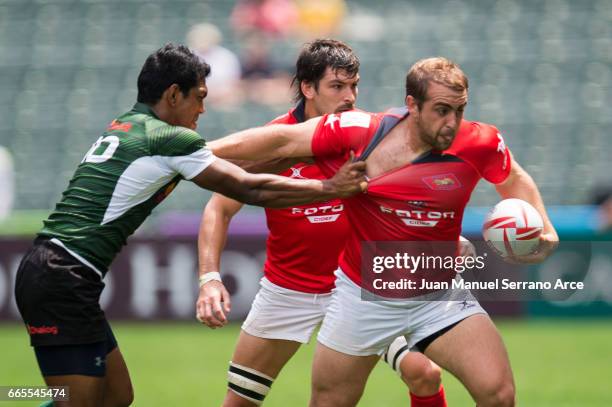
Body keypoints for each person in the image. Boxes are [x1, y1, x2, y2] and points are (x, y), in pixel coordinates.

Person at [13, 43, 366, 407]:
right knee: (76, 402)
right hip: (61, 275)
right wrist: (330, 187)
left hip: (65, 274)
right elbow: (248, 187)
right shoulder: (168, 139)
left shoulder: (128, 124)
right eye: (198, 97)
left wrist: (288, 158)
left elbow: (250, 175)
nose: (202, 108)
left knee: (116, 396)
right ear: (172, 94)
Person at [208, 57, 559, 406]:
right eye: (440, 110)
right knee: (329, 402)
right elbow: (281, 140)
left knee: (498, 394)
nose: (452, 122)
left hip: (437, 293)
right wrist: (197, 152)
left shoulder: (479, 142)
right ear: (412, 105)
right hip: (362, 296)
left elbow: (512, 176)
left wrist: (544, 228)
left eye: (459, 110)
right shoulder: (360, 132)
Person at [198, 39, 447, 407]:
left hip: (359, 288)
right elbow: (218, 208)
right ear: (308, 88)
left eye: (354, 85)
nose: (349, 96)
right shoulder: (272, 140)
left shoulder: (370, 136)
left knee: (425, 373)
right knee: (240, 401)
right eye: (337, 86)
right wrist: (209, 278)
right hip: (288, 291)